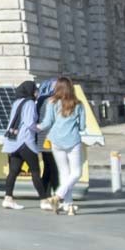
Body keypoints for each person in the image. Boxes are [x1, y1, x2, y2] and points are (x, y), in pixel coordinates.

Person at [39, 76, 89, 215]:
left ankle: (68, 205)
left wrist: (36, 127)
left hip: (55, 141)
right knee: (76, 173)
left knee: (64, 173)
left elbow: (47, 123)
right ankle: (58, 196)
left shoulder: (51, 102)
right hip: (73, 141)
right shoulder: (78, 104)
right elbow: (83, 126)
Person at [1, 79, 50, 211]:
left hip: (13, 142)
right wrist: (39, 127)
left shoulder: (17, 102)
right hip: (25, 141)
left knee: (13, 171)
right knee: (35, 171)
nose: (37, 92)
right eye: (35, 90)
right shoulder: (29, 103)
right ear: (31, 91)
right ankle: (44, 200)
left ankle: (8, 198)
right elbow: (29, 123)